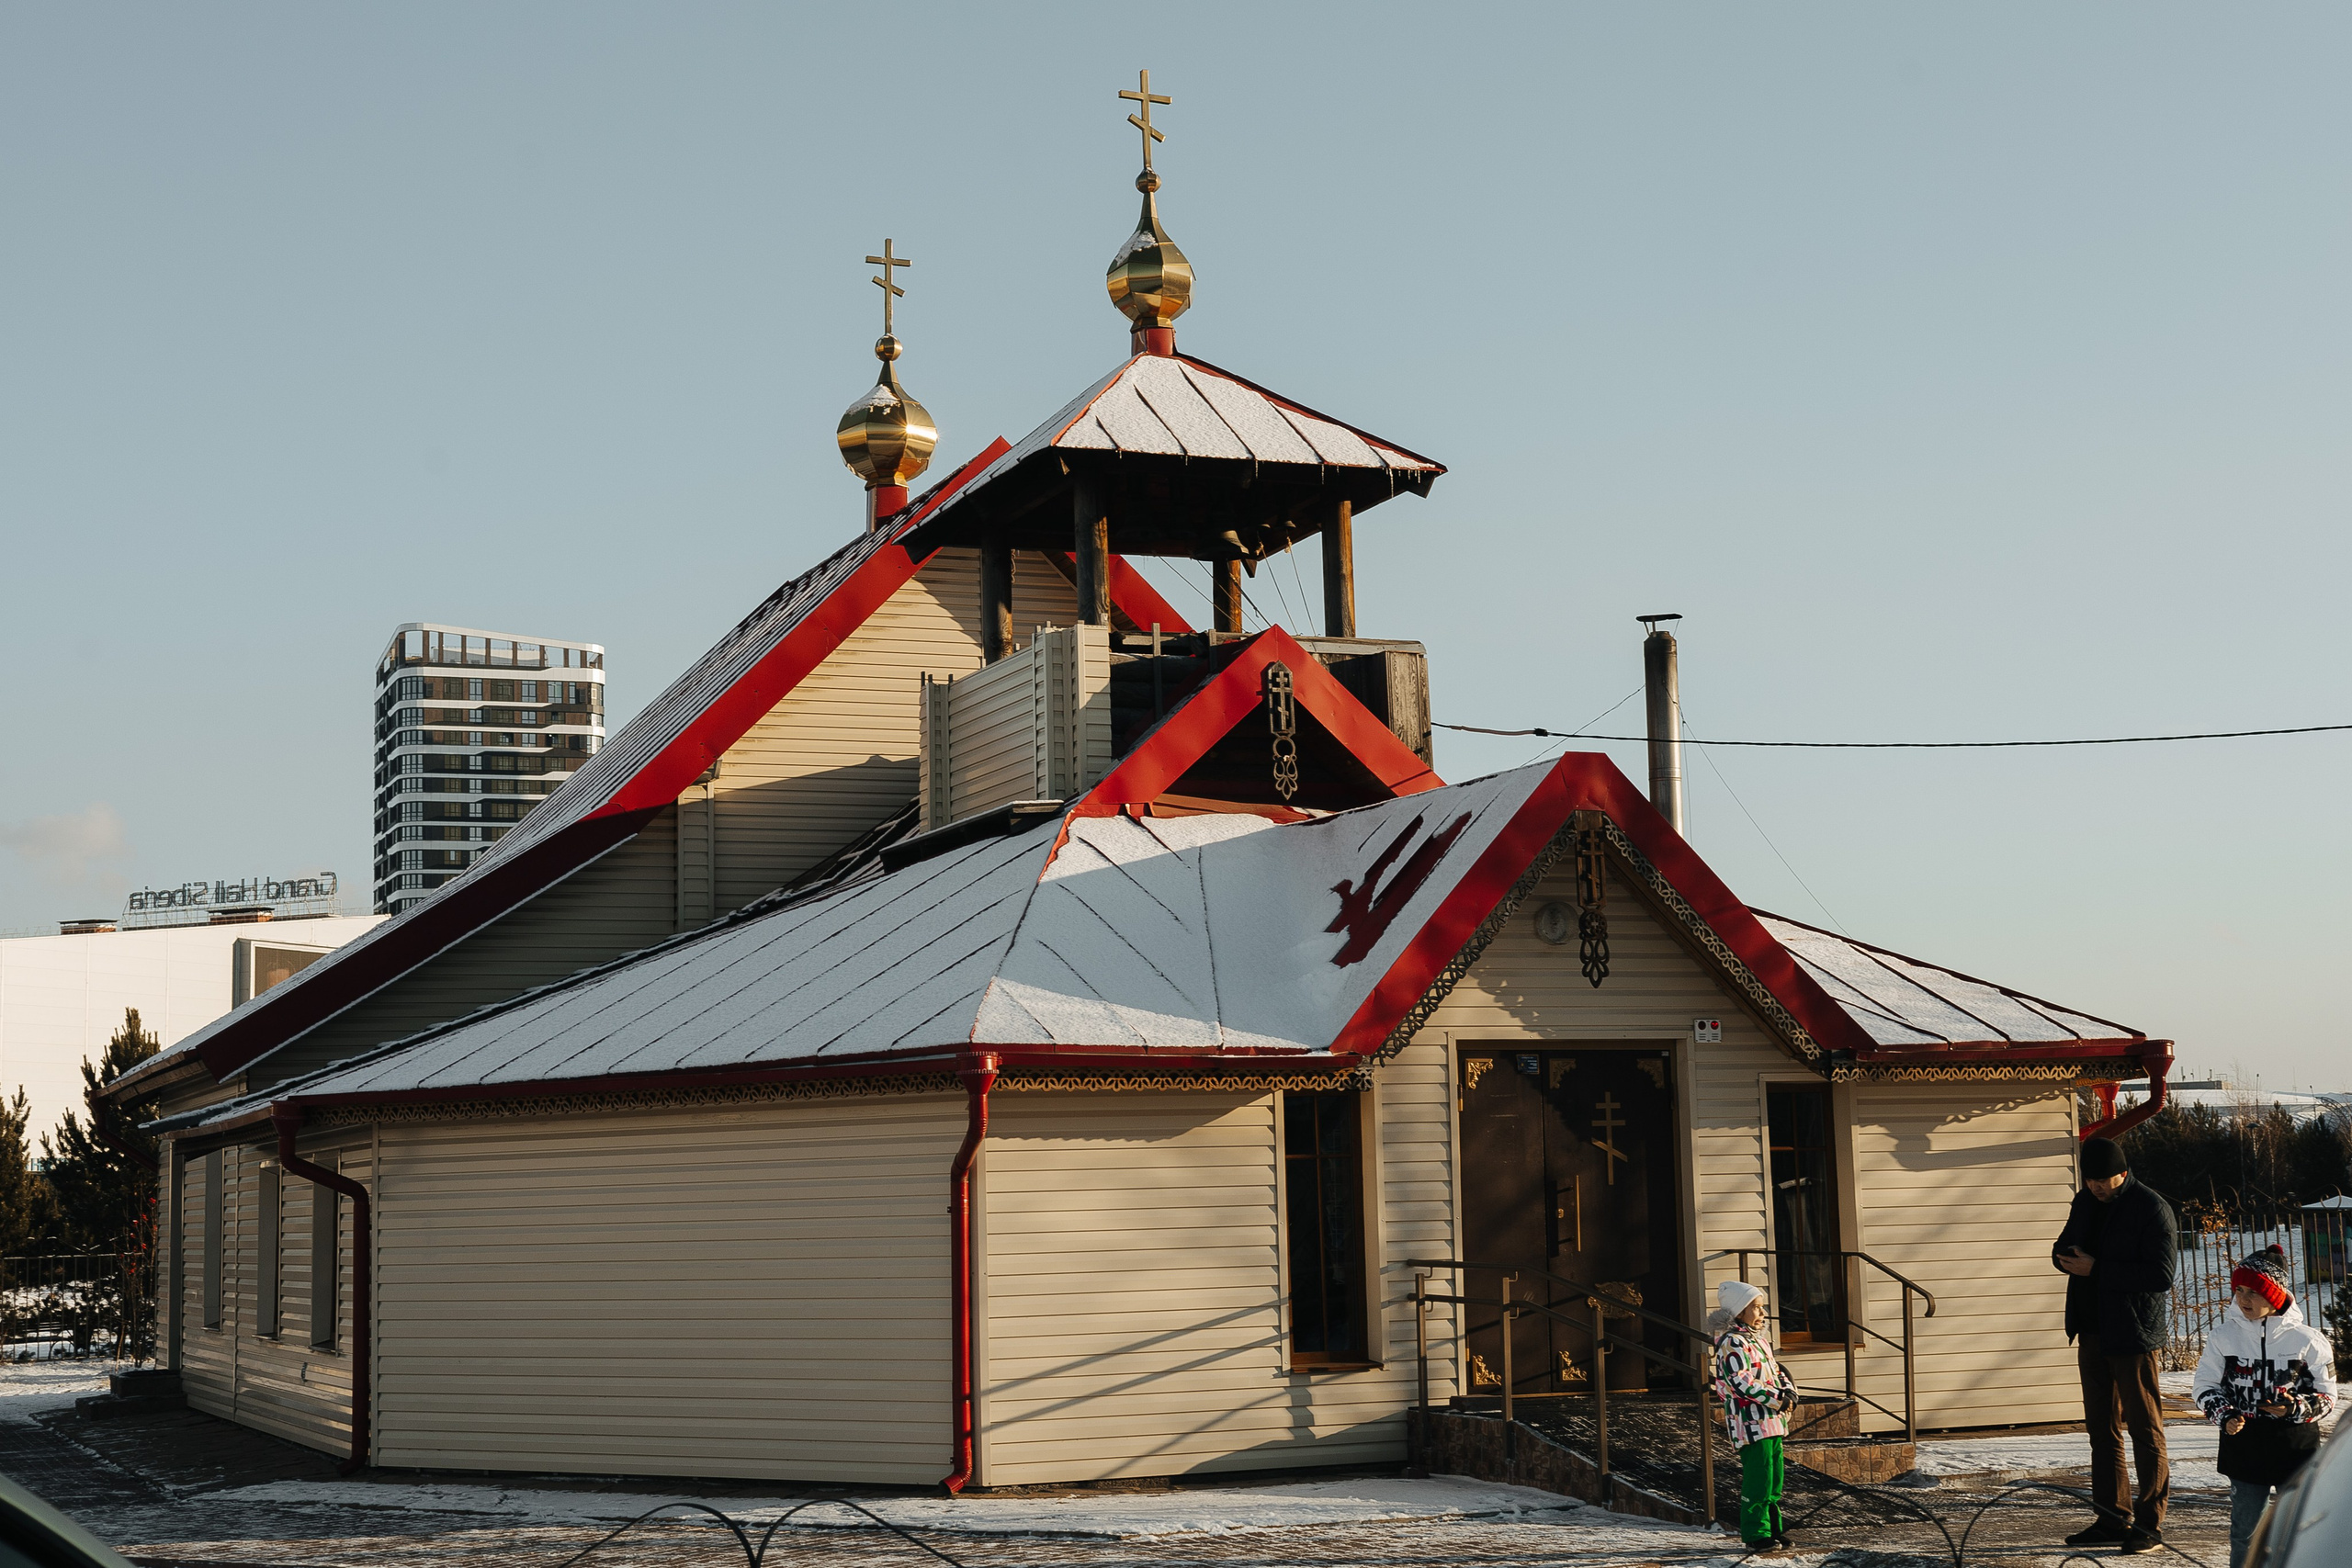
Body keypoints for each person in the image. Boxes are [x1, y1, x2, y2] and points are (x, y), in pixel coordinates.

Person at [2051, 1134, 2178, 1554]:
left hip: (2133, 1335)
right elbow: (2062, 1247)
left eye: (2103, 1180)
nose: (2096, 1187)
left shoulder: (2151, 1207)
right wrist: (2064, 1257)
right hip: (2091, 1330)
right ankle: (2111, 1518)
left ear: (2123, 1172)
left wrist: (2096, 1268)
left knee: (2145, 1429)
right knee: (2101, 1431)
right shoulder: (2084, 1201)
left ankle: (2150, 1525)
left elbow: (2160, 1276)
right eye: (2091, 1180)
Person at [2192, 1245, 2336, 1568]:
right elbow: (2204, 1386)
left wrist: (2295, 1408)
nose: (2244, 1299)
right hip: (2244, 1447)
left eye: (2254, 1292)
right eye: (2239, 1290)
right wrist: (2225, 1414)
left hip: (2295, 1449)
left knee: (2297, 1531)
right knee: (2245, 1531)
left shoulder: (2308, 1340)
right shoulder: (2223, 1337)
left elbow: (2328, 1396)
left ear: (2274, 1295)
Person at [1709, 1278, 1799, 1558]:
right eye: (1756, 1308)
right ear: (1738, 1312)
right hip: (1750, 1423)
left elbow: (1777, 1371)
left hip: (1772, 1421)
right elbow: (1741, 1381)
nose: (1762, 1313)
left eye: (1762, 1308)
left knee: (1774, 1479)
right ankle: (1755, 1533)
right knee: (1758, 1478)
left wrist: (1790, 1392)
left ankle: (1772, 1528)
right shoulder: (1731, 1342)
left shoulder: (1758, 1340)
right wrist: (1777, 1398)